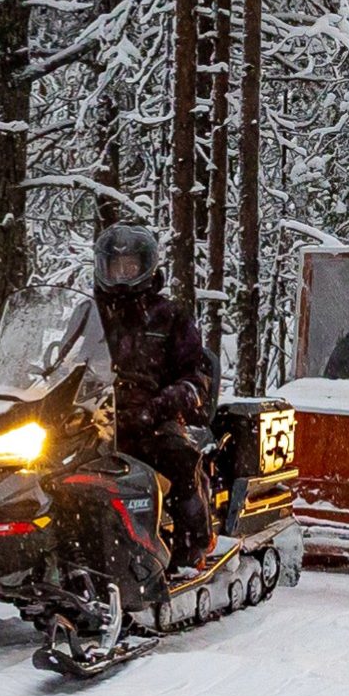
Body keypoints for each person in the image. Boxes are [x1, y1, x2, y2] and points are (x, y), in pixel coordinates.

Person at [93, 223, 214, 571]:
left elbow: (194, 376)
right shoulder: (90, 313)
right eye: (115, 267)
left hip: (154, 418)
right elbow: (63, 359)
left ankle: (193, 543)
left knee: (177, 456)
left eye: (129, 266)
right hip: (95, 417)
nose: (121, 274)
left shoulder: (169, 316)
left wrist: (158, 405)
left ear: (146, 266)